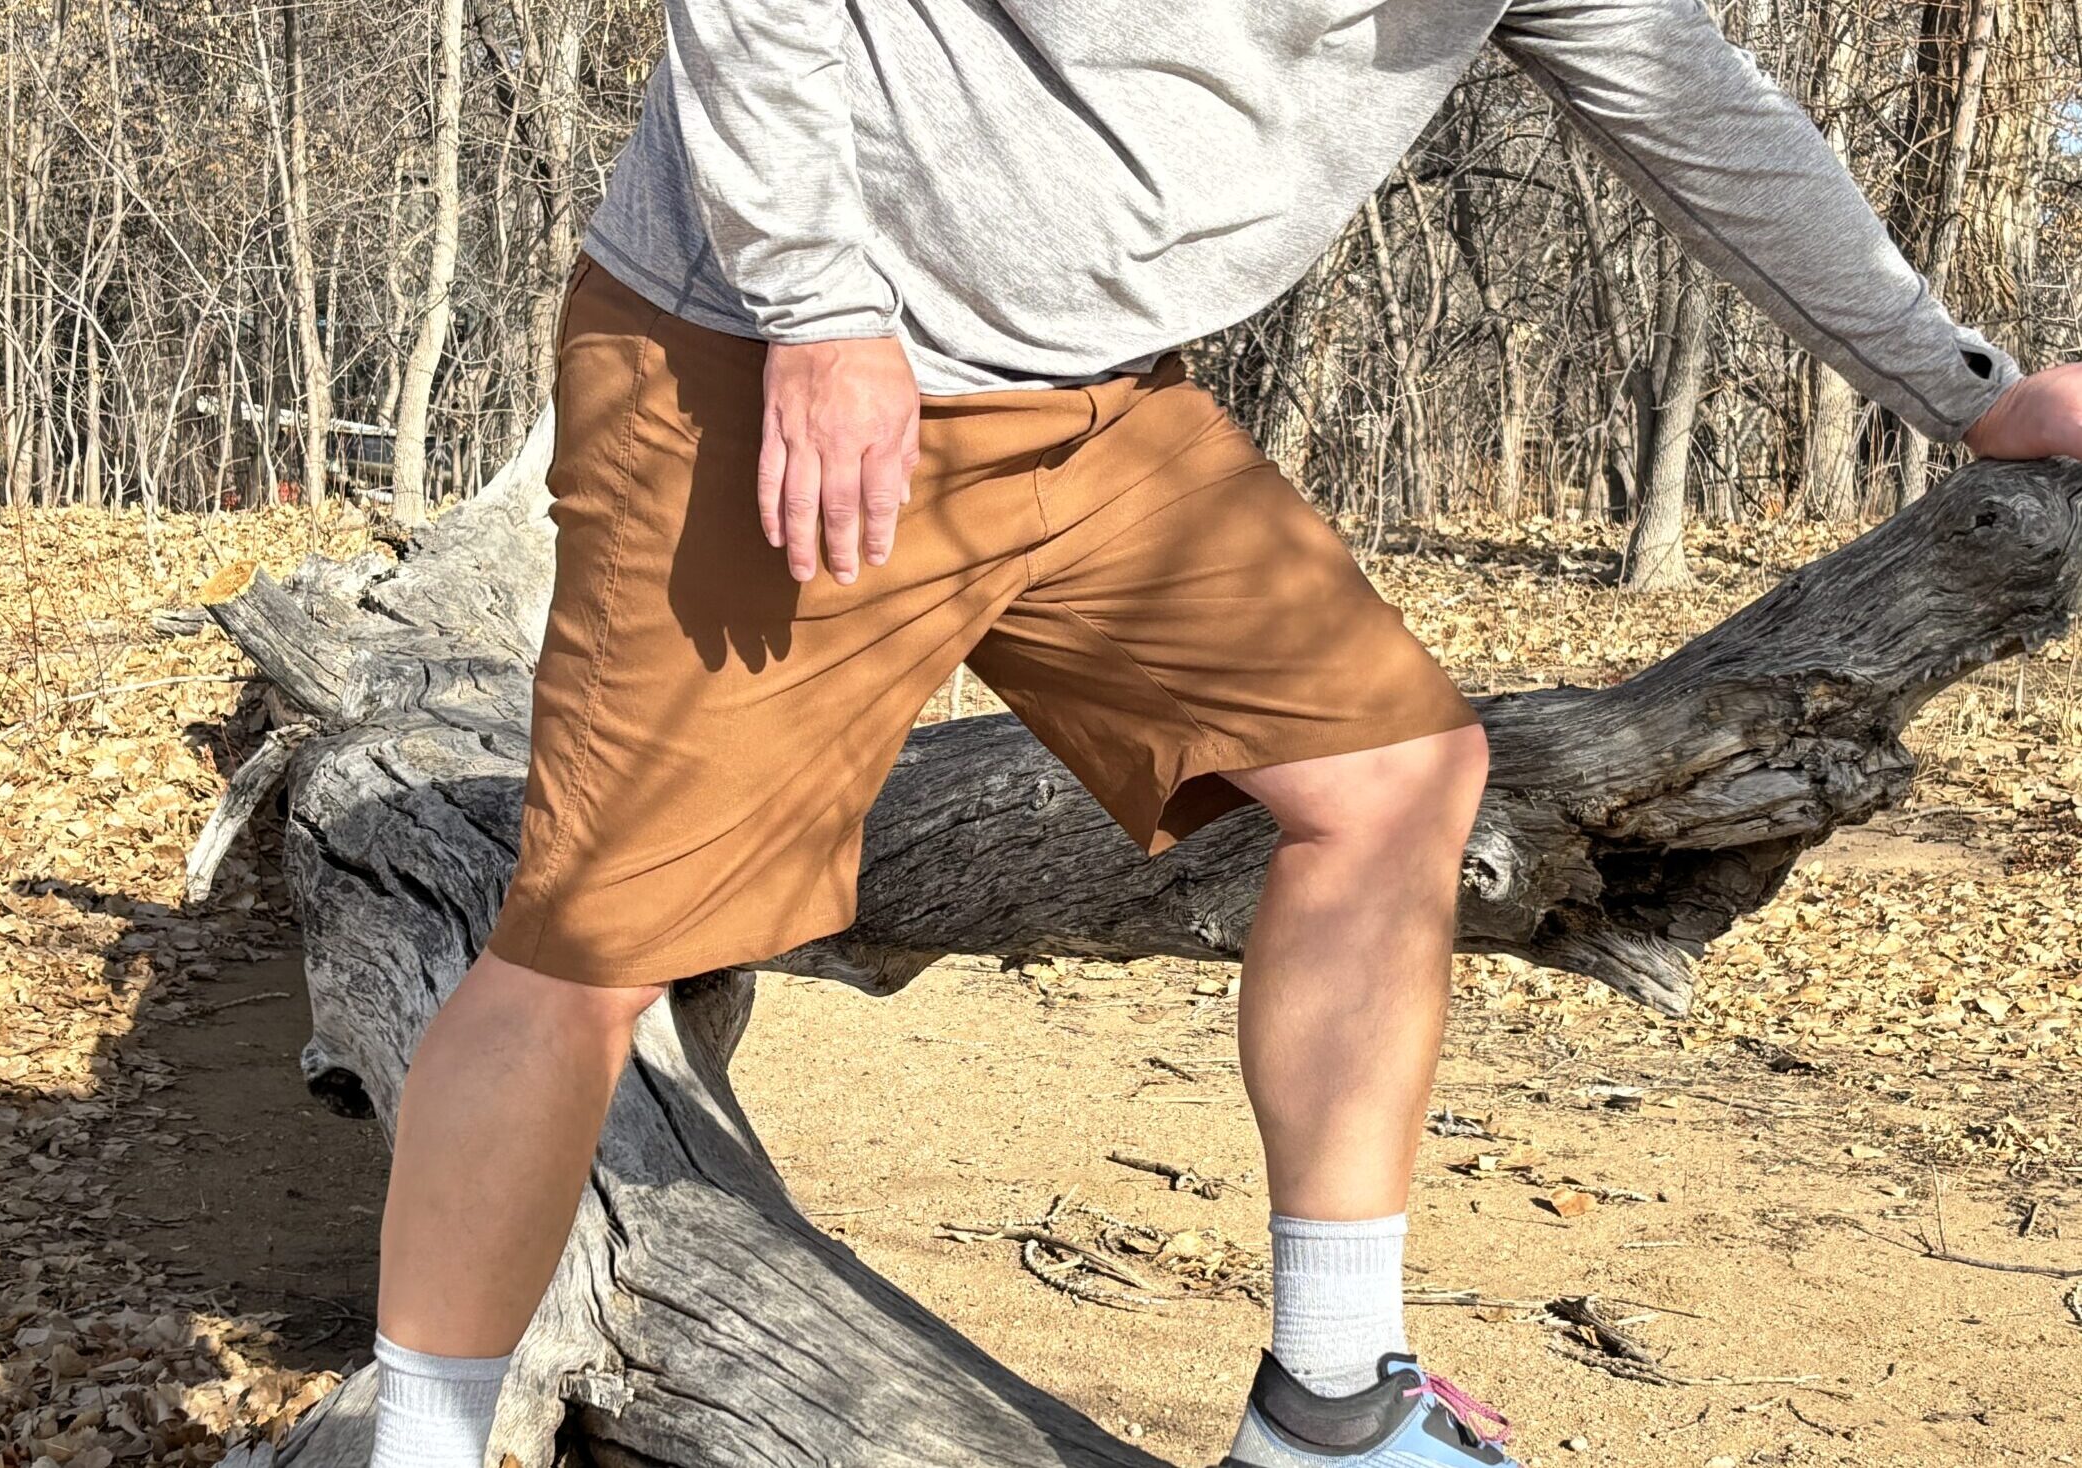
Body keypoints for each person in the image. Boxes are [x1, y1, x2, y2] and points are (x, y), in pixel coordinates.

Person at [360, 0, 2082, 1463]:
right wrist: (819, 309)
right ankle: (420, 1432)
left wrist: (1968, 387)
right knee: (595, 943)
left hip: (1100, 417)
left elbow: (1705, 120)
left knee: (1395, 776)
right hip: (761, 366)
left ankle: (1328, 1393)